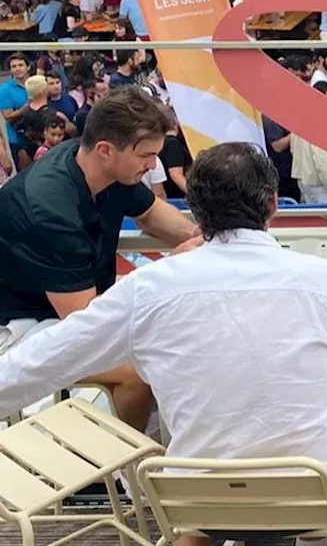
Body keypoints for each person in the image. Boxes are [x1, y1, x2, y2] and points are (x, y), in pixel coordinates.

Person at [0, 142, 327, 521]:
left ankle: (198, 532)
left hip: (195, 494)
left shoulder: (150, 286)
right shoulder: (326, 279)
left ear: (197, 211)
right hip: (315, 490)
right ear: (273, 204)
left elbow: (48, 356)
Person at [0, 87, 202, 430]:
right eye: (146, 156)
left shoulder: (105, 167)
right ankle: (129, 472)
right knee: (137, 373)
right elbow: (85, 325)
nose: (153, 165)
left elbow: (150, 213)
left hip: (62, 313)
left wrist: (203, 240)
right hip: (23, 328)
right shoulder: (50, 210)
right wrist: (173, 267)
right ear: (106, 150)